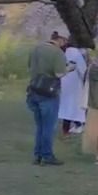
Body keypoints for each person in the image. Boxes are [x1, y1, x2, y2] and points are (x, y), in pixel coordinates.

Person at [26, 31, 68, 166]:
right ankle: (47, 155)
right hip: (48, 93)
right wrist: (70, 69)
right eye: (65, 41)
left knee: (40, 126)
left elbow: (29, 67)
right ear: (60, 39)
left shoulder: (36, 49)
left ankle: (37, 155)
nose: (65, 44)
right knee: (49, 127)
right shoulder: (57, 53)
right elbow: (59, 73)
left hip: (33, 90)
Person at [58, 38, 88, 136]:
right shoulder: (75, 53)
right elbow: (82, 69)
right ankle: (78, 124)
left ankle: (67, 128)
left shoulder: (64, 53)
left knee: (67, 106)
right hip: (74, 83)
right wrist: (85, 80)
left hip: (66, 82)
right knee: (75, 105)